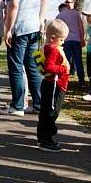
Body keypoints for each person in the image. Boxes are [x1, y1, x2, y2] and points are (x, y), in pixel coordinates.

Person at [0, 0, 49, 116]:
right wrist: (41, 20)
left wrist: (8, 30)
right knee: (33, 67)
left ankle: (18, 105)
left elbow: (13, 5)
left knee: (16, 67)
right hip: (34, 27)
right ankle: (39, 104)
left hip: (20, 28)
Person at [37, 19, 70, 152]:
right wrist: (64, 69)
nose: (63, 43)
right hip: (54, 85)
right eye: (61, 40)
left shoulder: (48, 48)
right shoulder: (53, 50)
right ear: (53, 38)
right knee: (51, 112)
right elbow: (49, 67)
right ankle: (47, 139)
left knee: (46, 111)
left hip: (52, 84)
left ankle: (43, 137)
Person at [56, 0, 86, 86]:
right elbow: (81, 26)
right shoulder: (75, 14)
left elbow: (56, 28)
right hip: (69, 40)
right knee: (73, 61)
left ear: (73, 3)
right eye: (68, 2)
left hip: (70, 40)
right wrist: (82, 38)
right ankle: (76, 81)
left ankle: (77, 80)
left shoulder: (62, 15)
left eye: (70, 2)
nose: (69, 4)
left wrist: (82, 38)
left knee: (70, 61)